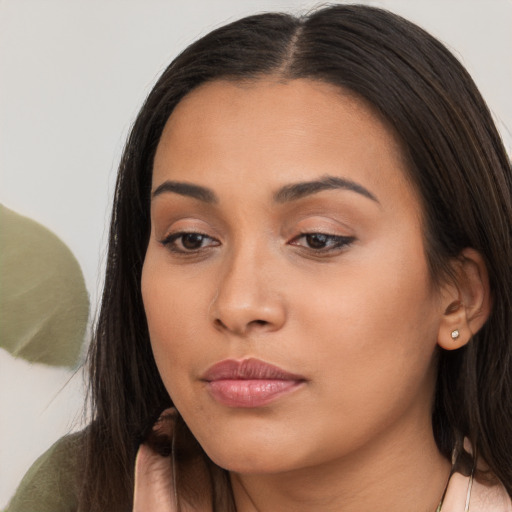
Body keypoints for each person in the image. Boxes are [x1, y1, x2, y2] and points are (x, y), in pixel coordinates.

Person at [7, 4, 512, 512]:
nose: (238, 303)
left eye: (318, 239)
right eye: (190, 239)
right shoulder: (79, 492)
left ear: (459, 298)